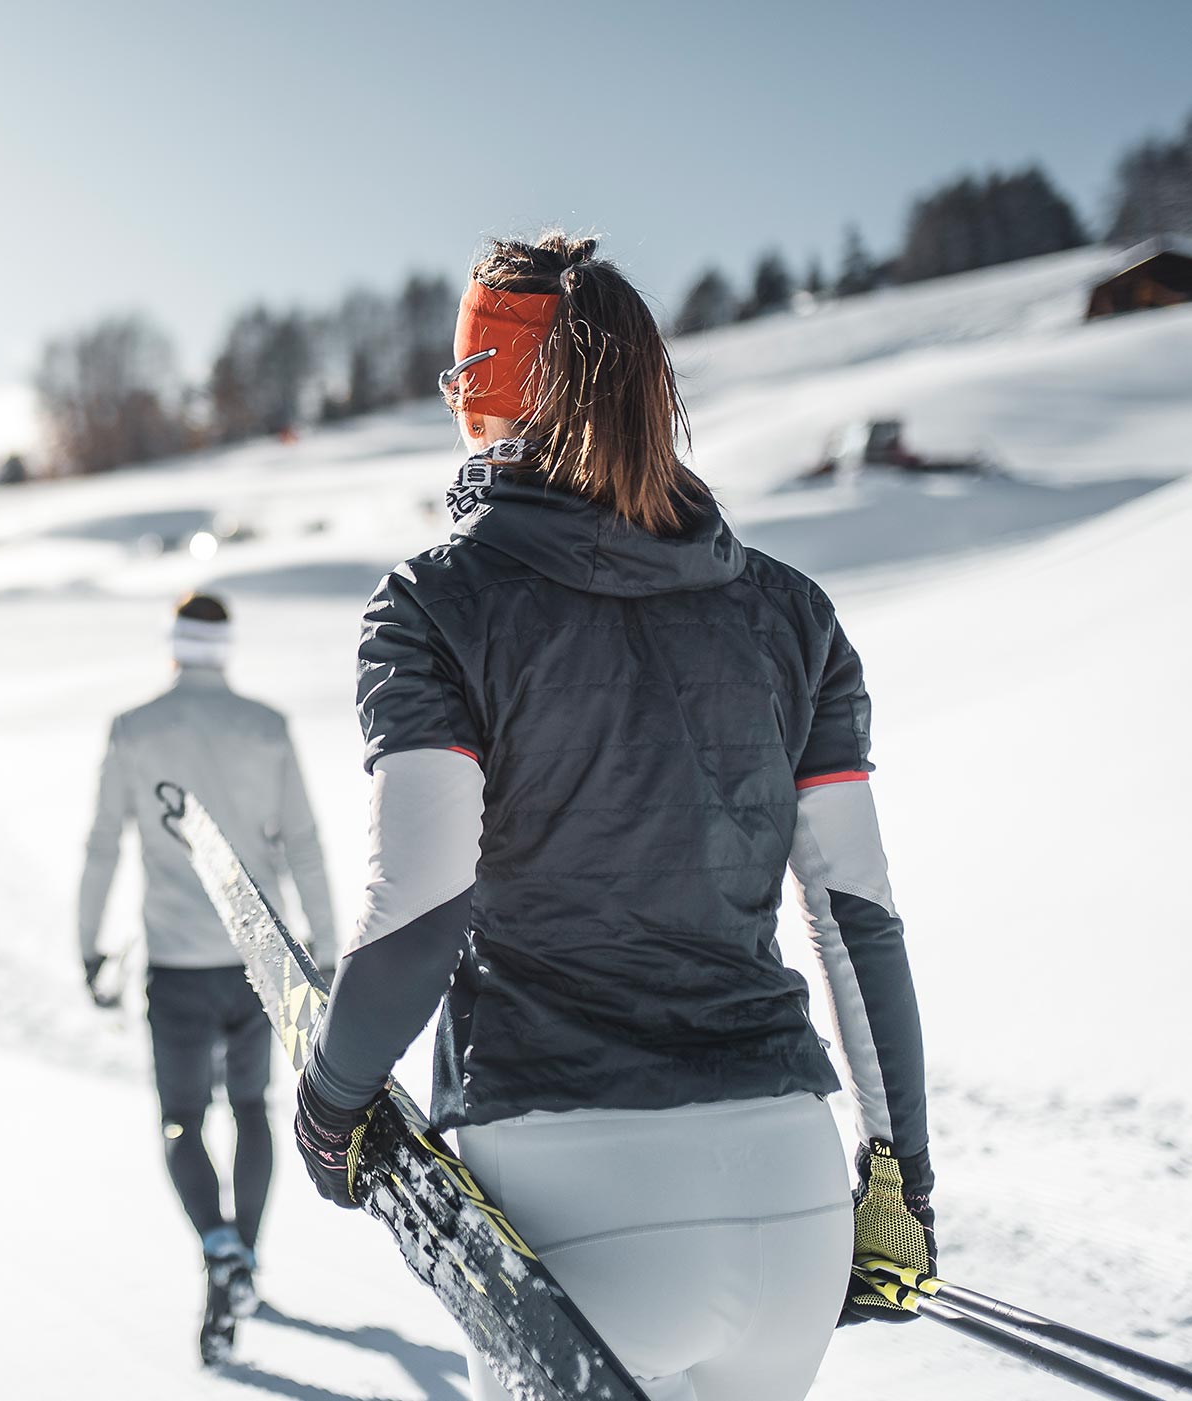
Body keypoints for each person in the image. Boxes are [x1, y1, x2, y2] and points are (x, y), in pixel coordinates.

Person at [291, 232, 934, 1401]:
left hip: (573, 1199)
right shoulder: (794, 615)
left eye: (456, 379)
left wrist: (333, 1104)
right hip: (791, 1205)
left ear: (487, 389)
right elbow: (857, 917)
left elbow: (425, 904)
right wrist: (904, 1180)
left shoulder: (437, 603)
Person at [79, 591, 338, 1362]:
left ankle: (218, 1244)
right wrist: (324, 947)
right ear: (224, 649)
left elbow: (102, 847)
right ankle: (246, 1261)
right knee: (252, 1107)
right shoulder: (268, 728)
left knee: (182, 1119)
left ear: (174, 646)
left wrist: (87, 946)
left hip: (177, 966)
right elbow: (306, 844)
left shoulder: (134, 729)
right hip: (259, 962)